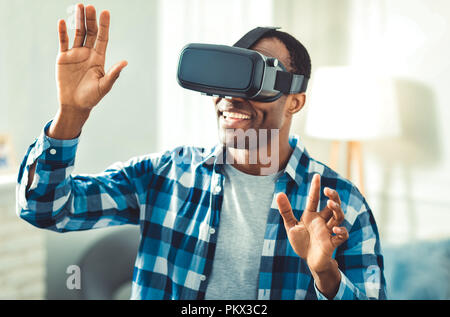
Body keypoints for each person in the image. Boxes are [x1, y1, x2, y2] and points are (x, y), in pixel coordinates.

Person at [16, 4, 386, 300]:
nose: (231, 97)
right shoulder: (165, 175)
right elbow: (47, 210)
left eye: (255, 81)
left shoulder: (338, 205)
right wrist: (71, 115)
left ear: (294, 102)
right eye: (225, 80)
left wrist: (326, 276)